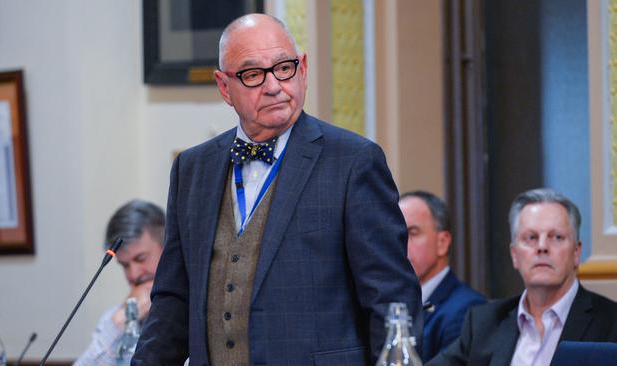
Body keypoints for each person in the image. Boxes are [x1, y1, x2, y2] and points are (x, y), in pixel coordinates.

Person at [131, 13, 421, 366]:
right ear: (224, 87)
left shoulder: (354, 161)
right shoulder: (193, 169)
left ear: (302, 69)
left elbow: (391, 301)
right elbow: (173, 300)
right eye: (253, 75)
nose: (273, 86)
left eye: (283, 68)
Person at [428, 188, 617, 366]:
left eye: (557, 237)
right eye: (531, 238)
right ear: (514, 254)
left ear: (576, 252)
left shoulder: (611, 323)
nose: (542, 247)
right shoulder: (485, 323)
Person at [74, 199, 165, 366]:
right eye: (124, 265)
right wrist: (120, 322)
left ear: (167, 248)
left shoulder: (195, 312)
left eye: (141, 259)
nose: (133, 275)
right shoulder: (113, 318)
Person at [399, 191, 485, 362]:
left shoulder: (468, 310)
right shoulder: (391, 303)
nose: (401, 244)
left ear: (442, 243)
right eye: (398, 235)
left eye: (412, 233)